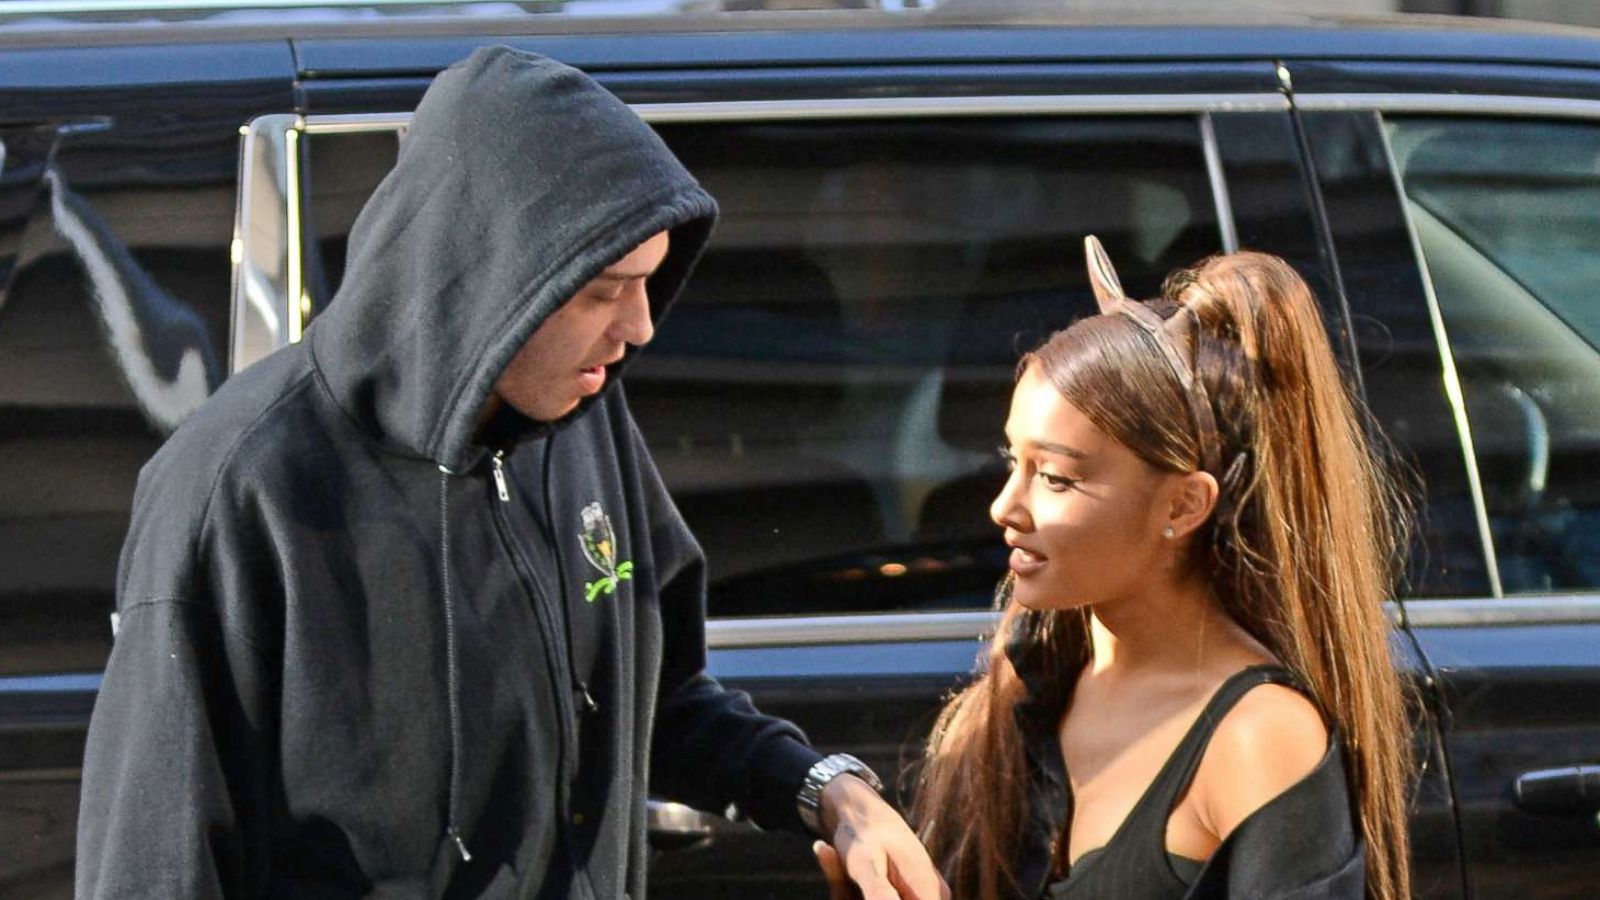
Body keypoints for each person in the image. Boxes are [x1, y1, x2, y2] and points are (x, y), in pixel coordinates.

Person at [76, 46, 942, 900]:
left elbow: (658, 704)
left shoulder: (585, 420)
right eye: (603, 290)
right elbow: (155, 863)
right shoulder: (236, 491)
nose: (639, 326)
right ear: (490, 276)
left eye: (649, 282)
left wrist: (827, 790)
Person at [903, 238, 1414, 900]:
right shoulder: (1034, 685)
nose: (1006, 506)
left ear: (1183, 504)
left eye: (1055, 478)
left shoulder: (1256, 738)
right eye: (1013, 462)